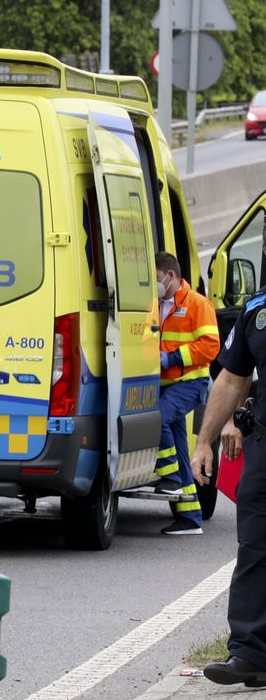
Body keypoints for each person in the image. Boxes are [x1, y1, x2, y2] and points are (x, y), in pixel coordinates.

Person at [194, 287, 266, 686]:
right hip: (264, 449)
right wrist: (205, 439)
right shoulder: (257, 310)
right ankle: (250, 653)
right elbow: (232, 376)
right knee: (254, 549)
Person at [153, 251, 219, 535]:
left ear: (170, 276)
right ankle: (191, 518)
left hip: (191, 383)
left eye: (156, 279)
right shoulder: (156, 305)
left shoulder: (197, 304)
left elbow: (210, 346)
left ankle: (170, 479)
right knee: (180, 449)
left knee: (157, 419)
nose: (153, 285)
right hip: (167, 385)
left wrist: (172, 358)